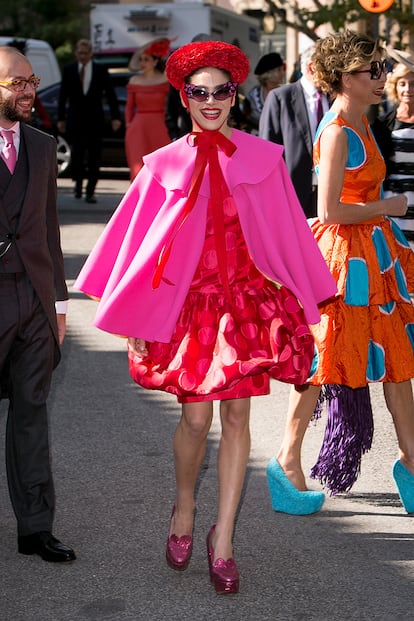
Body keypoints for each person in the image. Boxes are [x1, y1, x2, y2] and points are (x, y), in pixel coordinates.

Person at [75, 41, 336, 594]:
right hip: (187, 308)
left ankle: (224, 541)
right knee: (196, 421)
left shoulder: (262, 159)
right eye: (200, 92)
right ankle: (185, 506)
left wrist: (307, 301)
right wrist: (136, 319)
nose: (211, 101)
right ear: (185, 97)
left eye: (221, 91)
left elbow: (288, 233)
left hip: (246, 304)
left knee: (238, 419)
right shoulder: (162, 164)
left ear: (234, 95)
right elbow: (133, 245)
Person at [266, 30, 414, 518]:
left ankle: (411, 462)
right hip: (344, 258)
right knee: (326, 360)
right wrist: (386, 204)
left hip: (372, 256)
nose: (382, 77)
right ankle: (287, 461)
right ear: (343, 77)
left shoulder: (364, 121)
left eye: (382, 69)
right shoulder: (335, 132)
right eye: (371, 70)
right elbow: (328, 211)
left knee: (396, 356)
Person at [0, 46, 75, 561]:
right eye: (15, 83)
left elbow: (50, 230)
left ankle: (35, 527)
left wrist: (60, 303)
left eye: (31, 81)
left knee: (32, 413)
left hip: (34, 300)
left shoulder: (43, 147)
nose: (28, 91)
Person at [259, 45, 329, 218]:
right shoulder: (281, 97)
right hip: (293, 194)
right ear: (312, 67)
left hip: (330, 195)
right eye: (328, 66)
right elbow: (268, 153)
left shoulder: (334, 97)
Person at [57, 39, 121, 203]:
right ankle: (78, 186)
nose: (83, 56)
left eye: (85, 53)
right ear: (76, 53)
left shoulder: (100, 70)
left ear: (91, 53)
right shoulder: (69, 69)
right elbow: (63, 95)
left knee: (94, 156)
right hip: (75, 119)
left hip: (95, 120)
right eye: (80, 53)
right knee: (77, 155)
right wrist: (61, 118)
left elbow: (111, 95)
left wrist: (115, 117)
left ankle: (90, 191)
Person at [371, 50, 414, 239]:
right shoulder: (382, 125)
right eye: (402, 84)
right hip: (394, 205)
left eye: (413, 84)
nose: (408, 90)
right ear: (395, 88)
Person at [125, 38, 171, 179]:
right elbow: (129, 107)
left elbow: (173, 105)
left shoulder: (166, 80)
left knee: (163, 167)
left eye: (146, 59)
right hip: (138, 129)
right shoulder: (134, 81)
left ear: (155, 61)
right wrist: (129, 125)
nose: (142, 63)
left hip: (160, 127)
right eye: (141, 60)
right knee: (138, 168)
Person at [243, 52, 286, 133]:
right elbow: (246, 119)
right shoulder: (253, 95)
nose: (283, 73)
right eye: (279, 70)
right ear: (269, 74)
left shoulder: (285, 93)